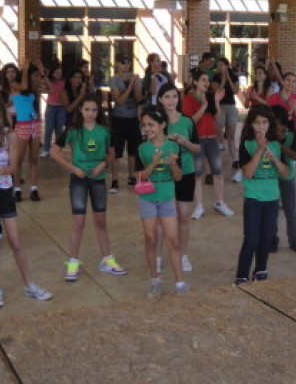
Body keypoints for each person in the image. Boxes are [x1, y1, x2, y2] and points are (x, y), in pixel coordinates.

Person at [0, 93, 53, 308]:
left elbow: (13, 167)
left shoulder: (10, 136)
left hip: (3, 191)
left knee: (16, 241)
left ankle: (29, 284)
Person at [51, 94, 126, 281]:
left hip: (98, 180)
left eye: (94, 110)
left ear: (98, 111)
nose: (91, 114)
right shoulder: (73, 130)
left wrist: (103, 164)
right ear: (80, 110)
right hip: (78, 180)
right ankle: (73, 262)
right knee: (78, 221)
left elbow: (112, 152)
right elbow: (54, 150)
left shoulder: (105, 130)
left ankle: (107, 259)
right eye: (87, 110)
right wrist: (72, 168)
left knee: (101, 220)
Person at [135, 105, 187, 298]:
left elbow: (179, 177)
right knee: (151, 238)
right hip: (147, 198)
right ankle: (154, 280)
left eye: (152, 125)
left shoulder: (174, 146)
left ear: (163, 125)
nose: (147, 129)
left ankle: (180, 283)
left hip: (167, 197)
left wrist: (173, 164)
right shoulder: (142, 148)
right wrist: (153, 163)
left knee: (173, 240)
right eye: (144, 125)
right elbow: (139, 176)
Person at [234, 105, 290, 285]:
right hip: (253, 198)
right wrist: (259, 149)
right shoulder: (246, 145)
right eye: (257, 123)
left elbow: (286, 173)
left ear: (269, 124)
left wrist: (275, 160)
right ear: (251, 125)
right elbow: (248, 173)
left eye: (264, 122)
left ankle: (261, 270)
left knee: (266, 238)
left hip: (272, 198)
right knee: (251, 238)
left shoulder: (276, 145)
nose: (261, 127)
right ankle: (242, 274)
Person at [156, 83, 201, 274]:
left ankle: (183, 255)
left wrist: (185, 142)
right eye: (167, 96)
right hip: (163, 173)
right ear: (160, 100)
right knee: (162, 218)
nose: (171, 100)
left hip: (186, 171)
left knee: (183, 216)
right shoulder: (156, 121)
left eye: (174, 96)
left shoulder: (187, 121)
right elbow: (149, 145)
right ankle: (157, 257)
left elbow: (197, 149)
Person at [182, 69, 232, 218]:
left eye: (207, 80)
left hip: (211, 139)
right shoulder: (188, 99)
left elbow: (217, 117)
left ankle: (220, 203)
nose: (206, 83)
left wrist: (215, 102)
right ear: (195, 82)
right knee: (197, 174)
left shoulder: (210, 96)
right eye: (203, 80)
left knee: (217, 172)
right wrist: (203, 106)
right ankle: (199, 206)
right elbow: (190, 122)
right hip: (197, 140)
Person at [270, 104, 296, 253]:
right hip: (270, 177)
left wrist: (280, 144)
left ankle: (294, 240)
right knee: (272, 211)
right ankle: (272, 240)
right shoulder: (267, 135)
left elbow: (295, 155)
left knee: (290, 211)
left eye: (274, 121)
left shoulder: (291, 134)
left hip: (287, 176)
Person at [107, 53, 143, 193]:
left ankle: (132, 176)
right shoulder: (114, 80)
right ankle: (115, 180)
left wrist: (137, 86)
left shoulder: (134, 78)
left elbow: (139, 98)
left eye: (128, 62)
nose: (126, 65)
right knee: (116, 150)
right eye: (123, 62)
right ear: (117, 64)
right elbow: (119, 100)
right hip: (119, 119)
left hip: (133, 118)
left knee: (133, 150)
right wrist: (130, 87)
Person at [10, 60, 43, 202]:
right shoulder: (15, 85)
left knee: (33, 159)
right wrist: (24, 69)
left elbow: (51, 90)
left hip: (34, 122)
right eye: (34, 75)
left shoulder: (33, 88)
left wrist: (43, 74)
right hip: (22, 124)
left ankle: (34, 189)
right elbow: (23, 85)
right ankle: (17, 189)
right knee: (18, 159)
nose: (37, 78)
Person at [211, 58, 240, 175]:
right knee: (218, 133)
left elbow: (236, 91)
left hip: (231, 106)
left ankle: (234, 159)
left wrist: (228, 78)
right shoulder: (215, 77)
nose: (219, 67)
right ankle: (217, 160)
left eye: (221, 65)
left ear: (227, 66)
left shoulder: (234, 77)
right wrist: (222, 80)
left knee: (231, 135)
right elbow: (216, 92)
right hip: (220, 107)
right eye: (218, 65)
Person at [39, 65, 66, 158]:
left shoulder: (64, 82)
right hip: (51, 106)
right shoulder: (48, 81)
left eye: (60, 73)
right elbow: (48, 88)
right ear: (53, 73)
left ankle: (57, 150)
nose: (59, 75)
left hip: (61, 107)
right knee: (49, 129)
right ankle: (46, 149)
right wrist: (43, 74)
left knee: (59, 129)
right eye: (57, 73)